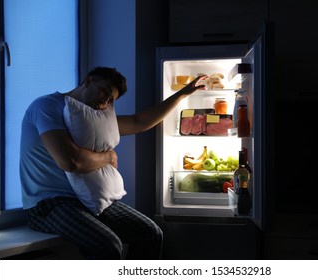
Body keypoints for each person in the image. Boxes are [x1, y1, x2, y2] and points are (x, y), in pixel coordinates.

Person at [20, 66, 206, 259]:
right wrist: (108, 157)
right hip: (47, 204)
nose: (104, 102)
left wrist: (182, 94)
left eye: (111, 100)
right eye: (105, 92)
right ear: (89, 81)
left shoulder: (91, 116)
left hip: (85, 200)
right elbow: (72, 162)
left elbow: (138, 122)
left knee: (150, 233)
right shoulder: (46, 106)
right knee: (107, 244)